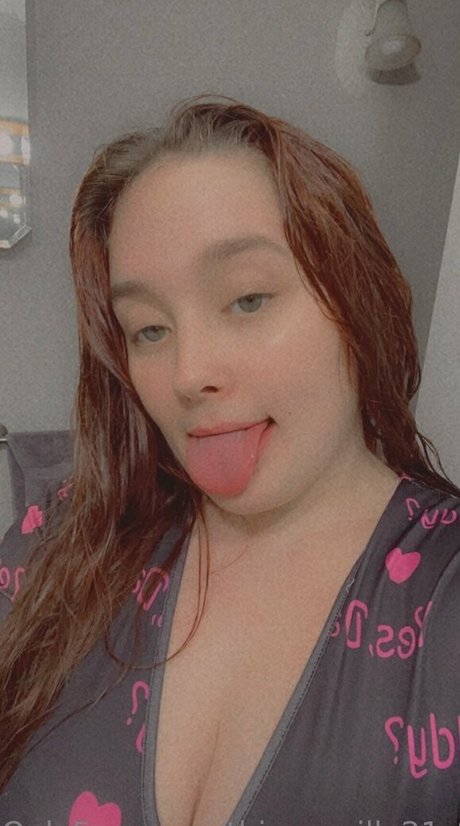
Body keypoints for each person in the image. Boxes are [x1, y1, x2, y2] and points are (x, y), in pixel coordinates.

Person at [0, 92, 459, 826]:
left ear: (356, 302)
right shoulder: (51, 546)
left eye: (248, 299)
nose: (188, 375)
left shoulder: (443, 596)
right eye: (149, 329)